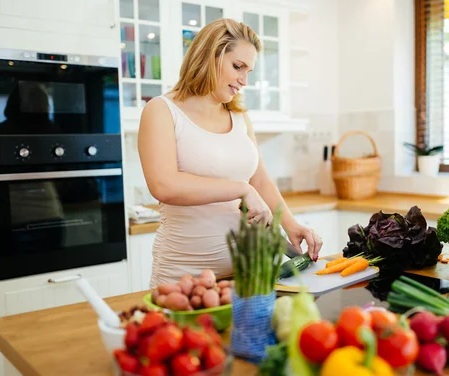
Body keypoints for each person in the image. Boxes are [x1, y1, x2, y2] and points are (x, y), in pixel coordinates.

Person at [138, 18, 323, 287]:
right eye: (238, 67)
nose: (244, 80)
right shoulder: (162, 110)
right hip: (183, 279)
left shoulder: (238, 116)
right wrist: (240, 189)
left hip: (245, 278)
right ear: (209, 57)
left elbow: (259, 179)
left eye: (249, 71)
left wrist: (292, 225)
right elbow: (164, 185)